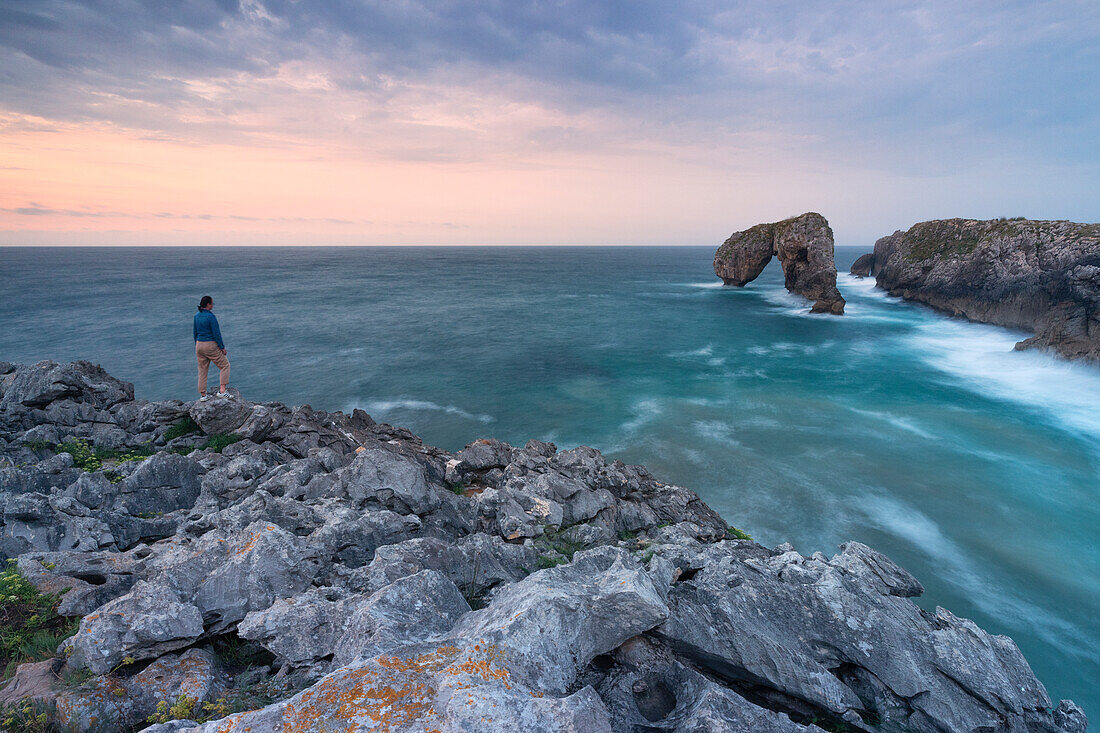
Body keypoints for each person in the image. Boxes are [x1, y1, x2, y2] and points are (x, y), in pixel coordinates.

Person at [194, 295, 231, 400]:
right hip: (209, 344)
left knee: (202, 370)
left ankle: (203, 395)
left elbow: (195, 332)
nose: (213, 306)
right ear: (208, 304)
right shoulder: (210, 316)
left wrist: (197, 345)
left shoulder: (196, 316)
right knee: (225, 365)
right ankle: (223, 390)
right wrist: (222, 347)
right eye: (212, 304)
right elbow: (216, 333)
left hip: (199, 344)